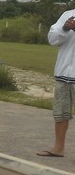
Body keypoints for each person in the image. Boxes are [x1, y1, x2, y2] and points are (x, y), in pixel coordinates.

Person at [36, 11, 75, 157]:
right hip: (63, 74)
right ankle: (58, 148)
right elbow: (52, 39)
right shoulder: (68, 14)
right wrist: (65, 28)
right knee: (60, 113)